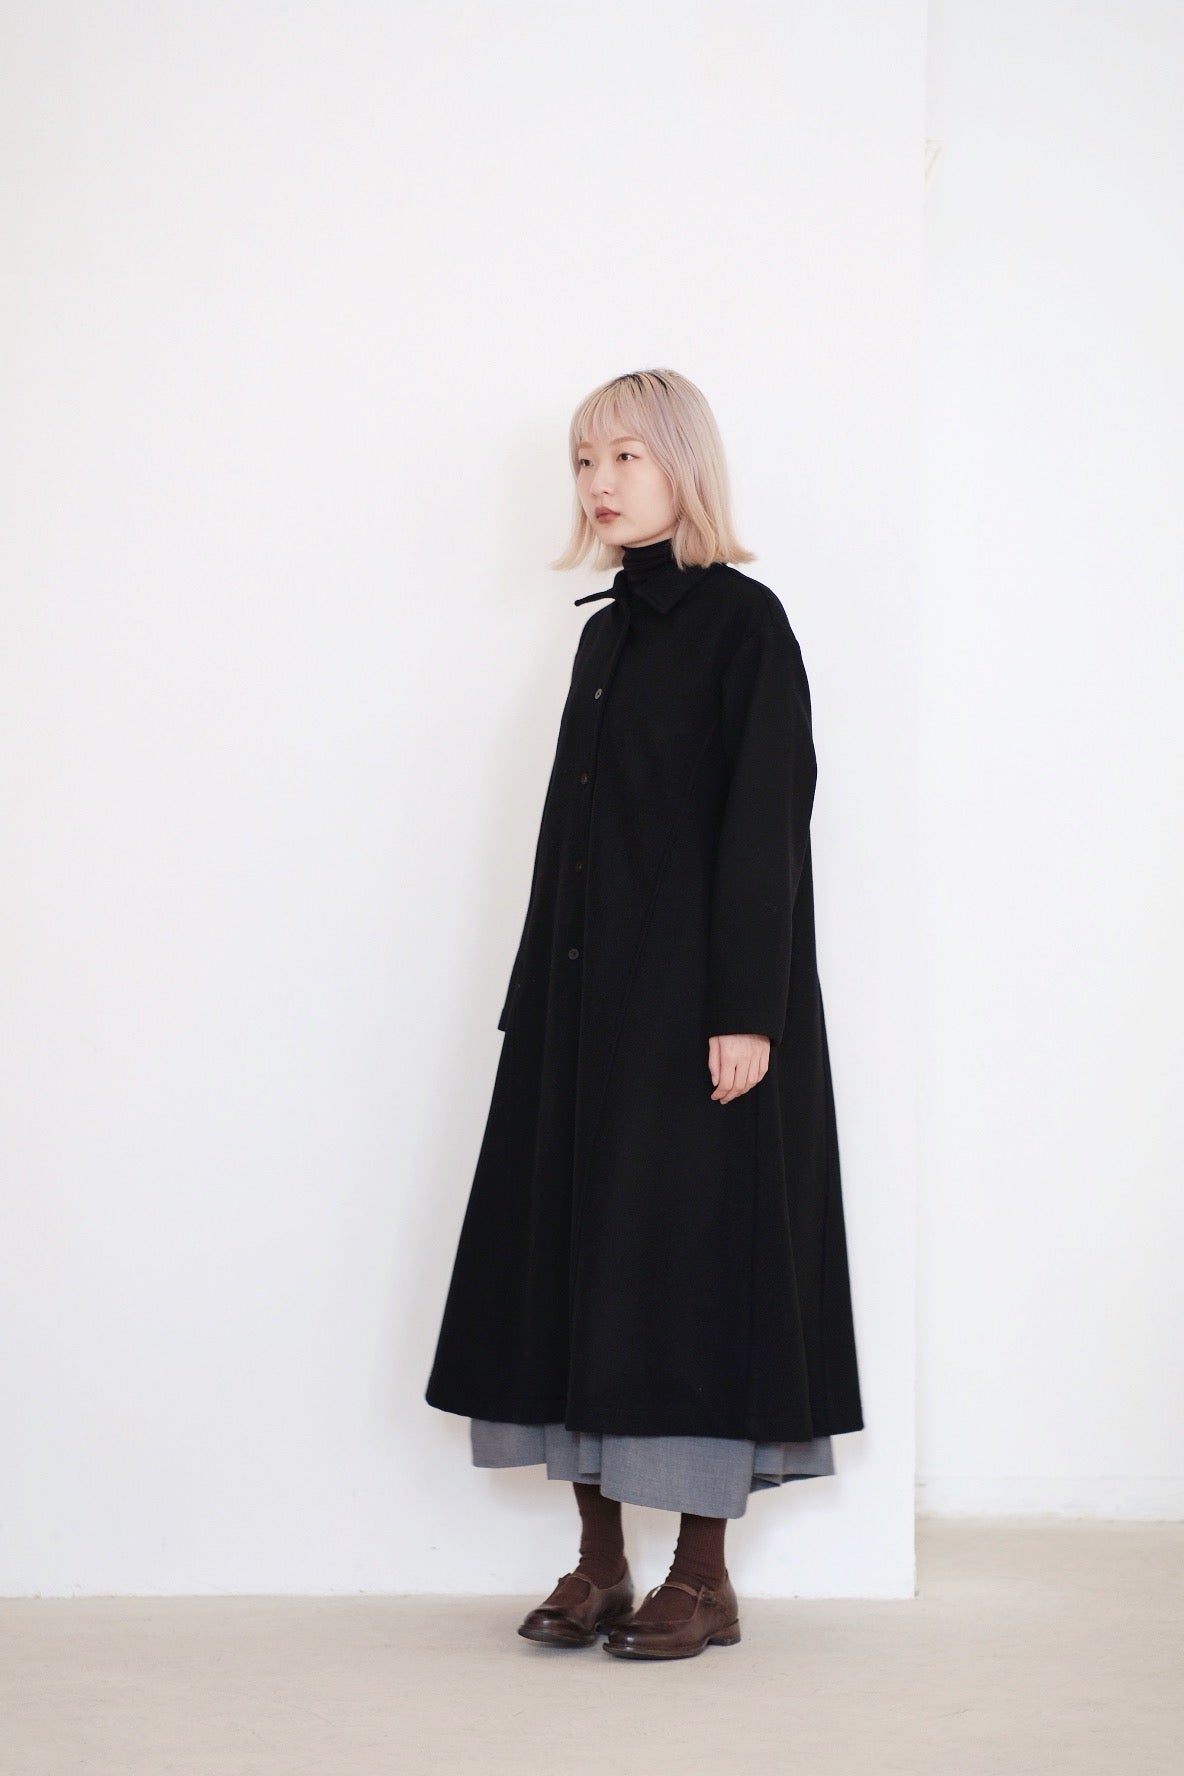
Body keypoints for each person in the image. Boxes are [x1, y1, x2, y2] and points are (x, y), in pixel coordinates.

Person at [425, 367, 863, 1660]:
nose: (599, 483)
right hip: (581, 1014)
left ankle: (704, 1578)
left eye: (626, 456)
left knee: (691, 1275)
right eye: (583, 461)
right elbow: (568, 840)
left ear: (684, 466)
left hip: (695, 1017)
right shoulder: (604, 635)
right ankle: (601, 1564)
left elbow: (765, 827)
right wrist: (533, 1008)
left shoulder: (744, 625)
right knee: (576, 1267)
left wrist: (747, 1012)